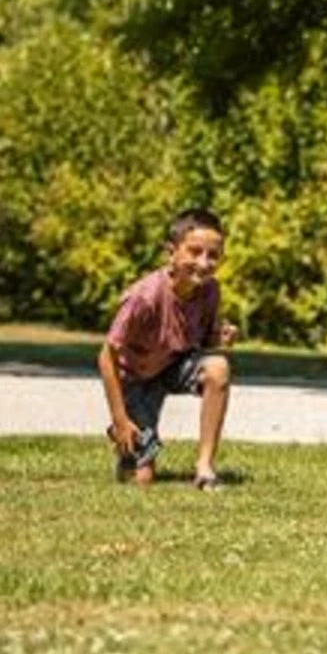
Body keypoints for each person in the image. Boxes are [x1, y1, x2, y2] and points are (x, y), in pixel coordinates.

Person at [97, 207, 238, 490]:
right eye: (194, 252)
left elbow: (201, 342)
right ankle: (126, 443)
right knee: (142, 480)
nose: (204, 262)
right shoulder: (144, 298)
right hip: (136, 378)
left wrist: (219, 340)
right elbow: (106, 357)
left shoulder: (210, 290)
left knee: (218, 368)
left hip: (172, 366)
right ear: (171, 252)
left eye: (213, 255)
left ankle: (205, 468)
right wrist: (120, 419)